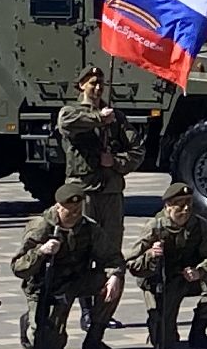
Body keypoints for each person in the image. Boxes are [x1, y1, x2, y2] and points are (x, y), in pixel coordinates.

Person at [57, 66, 143, 330]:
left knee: (111, 254)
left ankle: (103, 313)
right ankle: (85, 310)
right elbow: (66, 125)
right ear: (81, 85)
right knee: (82, 253)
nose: (97, 88)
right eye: (92, 83)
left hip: (111, 193)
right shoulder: (72, 112)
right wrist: (97, 119)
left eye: (101, 83)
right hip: (83, 194)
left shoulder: (116, 117)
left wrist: (115, 161)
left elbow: (137, 151)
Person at [11, 182, 125, 349]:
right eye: (69, 211)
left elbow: (112, 257)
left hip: (76, 281)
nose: (74, 215)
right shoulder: (40, 227)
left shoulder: (88, 227)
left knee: (112, 281)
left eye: (78, 210)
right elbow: (18, 267)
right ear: (58, 208)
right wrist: (40, 251)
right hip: (47, 289)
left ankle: (94, 341)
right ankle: (31, 324)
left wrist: (114, 275)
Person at [126, 182, 207, 349]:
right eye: (180, 205)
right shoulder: (155, 227)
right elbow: (132, 264)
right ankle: (157, 324)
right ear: (168, 207)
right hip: (161, 283)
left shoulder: (201, 226)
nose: (186, 210)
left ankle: (199, 331)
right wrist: (151, 255)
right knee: (164, 343)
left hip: (188, 278)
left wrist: (200, 271)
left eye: (189, 204)